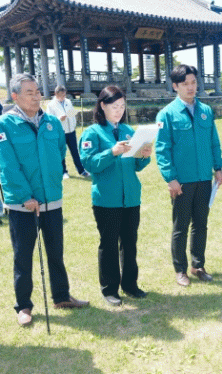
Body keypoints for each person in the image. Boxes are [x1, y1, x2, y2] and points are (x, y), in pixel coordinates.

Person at [0, 73, 89, 327]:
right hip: (23, 204)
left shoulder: (52, 122)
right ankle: (23, 306)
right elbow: (8, 164)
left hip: (51, 199)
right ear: (15, 96)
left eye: (37, 91)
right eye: (30, 92)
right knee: (23, 256)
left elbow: (60, 152)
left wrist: (53, 180)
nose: (36, 96)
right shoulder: (3, 124)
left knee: (56, 252)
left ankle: (61, 296)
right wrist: (25, 196)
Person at [79, 86, 152, 306]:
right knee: (109, 244)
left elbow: (137, 166)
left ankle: (130, 285)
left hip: (131, 198)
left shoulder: (129, 131)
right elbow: (89, 164)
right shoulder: (92, 133)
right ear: (102, 105)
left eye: (122, 106)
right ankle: (110, 289)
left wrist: (144, 155)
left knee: (130, 243)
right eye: (114, 106)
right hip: (106, 200)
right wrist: (112, 152)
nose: (119, 111)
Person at [155, 64, 222, 287]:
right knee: (181, 227)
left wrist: (219, 168)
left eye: (193, 82)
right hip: (181, 181)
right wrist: (170, 178)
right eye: (185, 84)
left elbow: (214, 142)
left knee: (201, 224)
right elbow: (162, 149)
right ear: (175, 86)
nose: (191, 87)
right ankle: (180, 270)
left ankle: (198, 265)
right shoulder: (167, 114)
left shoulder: (206, 111)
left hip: (204, 178)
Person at [46, 85, 90, 179]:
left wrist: (73, 121)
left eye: (64, 94)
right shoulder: (51, 105)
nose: (63, 97)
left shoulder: (68, 101)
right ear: (56, 94)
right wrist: (59, 119)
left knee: (75, 151)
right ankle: (64, 172)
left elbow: (72, 113)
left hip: (71, 131)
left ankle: (81, 170)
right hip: (60, 132)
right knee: (62, 152)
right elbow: (50, 120)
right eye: (61, 95)